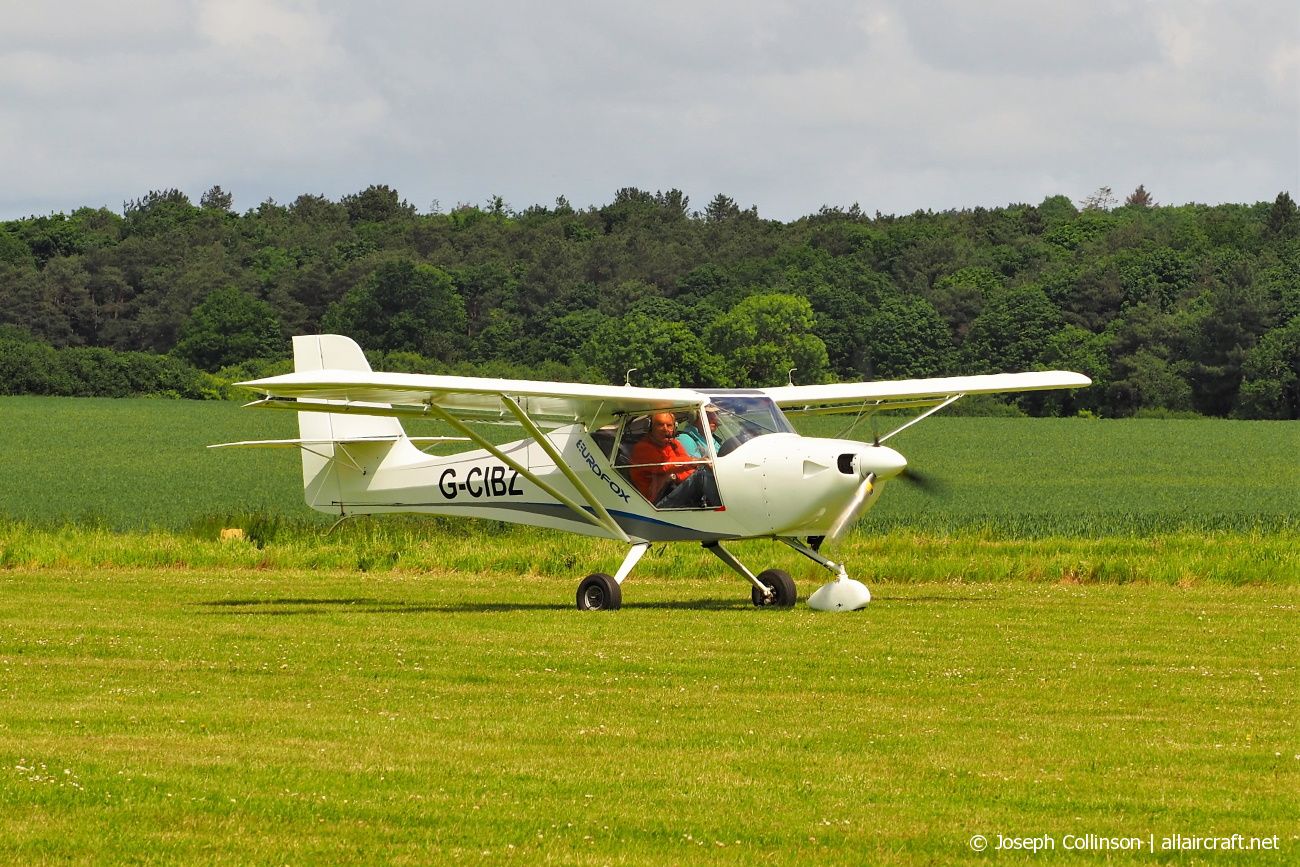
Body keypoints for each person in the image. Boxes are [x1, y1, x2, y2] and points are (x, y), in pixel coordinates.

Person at [628, 411, 719, 508]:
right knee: (701, 475)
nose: (665, 429)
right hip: (654, 503)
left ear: (674, 427)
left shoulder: (673, 443)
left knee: (704, 473)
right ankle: (724, 509)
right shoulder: (643, 448)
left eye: (669, 425)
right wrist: (697, 462)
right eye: (660, 425)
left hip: (674, 492)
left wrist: (703, 465)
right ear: (650, 427)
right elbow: (666, 466)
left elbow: (687, 466)